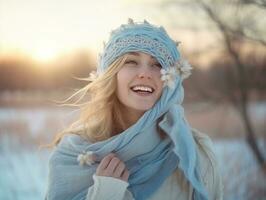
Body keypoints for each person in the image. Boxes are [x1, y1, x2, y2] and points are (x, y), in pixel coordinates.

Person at [45, 18, 223, 200]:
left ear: (172, 82)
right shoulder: (72, 155)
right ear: (111, 74)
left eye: (157, 64)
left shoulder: (193, 156)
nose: (145, 73)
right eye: (131, 61)